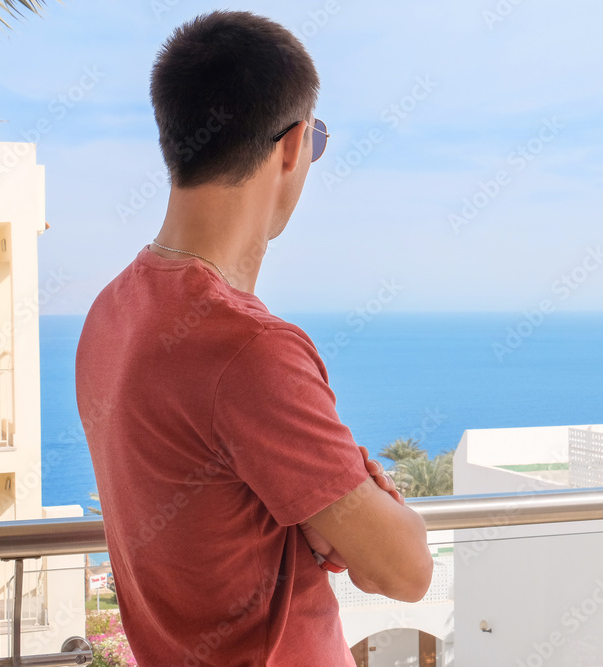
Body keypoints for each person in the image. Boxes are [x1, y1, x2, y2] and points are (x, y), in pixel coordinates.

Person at [75, 10, 433, 666]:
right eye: (316, 141)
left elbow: (214, 514)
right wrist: (352, 500)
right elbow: (406, 570)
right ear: (293, 146)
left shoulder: (109, 314)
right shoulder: (247, 349)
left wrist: (310, 505)